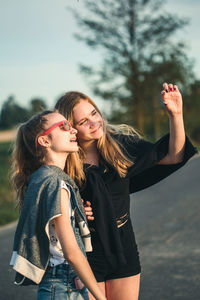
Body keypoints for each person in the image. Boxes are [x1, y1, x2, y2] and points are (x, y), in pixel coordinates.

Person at [55, 83, 197, 300]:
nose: (94, 122)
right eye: (84, 122)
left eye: (94, 113)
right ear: (70, 128)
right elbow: (49, 203)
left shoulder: (119, 144)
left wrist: (175, 115)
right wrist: (74, 208)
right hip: (84, 251)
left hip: (124, 245)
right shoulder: (64, 161)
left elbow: (173, 155)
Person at [10, 110, 107, 300]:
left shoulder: (41, 177)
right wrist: (101, 297)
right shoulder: (56, 182)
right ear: (44, 141)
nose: (72, 131)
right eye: (63, 127)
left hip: (57, 283)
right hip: (64, 285)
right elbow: (72, 253)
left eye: (70, 125)